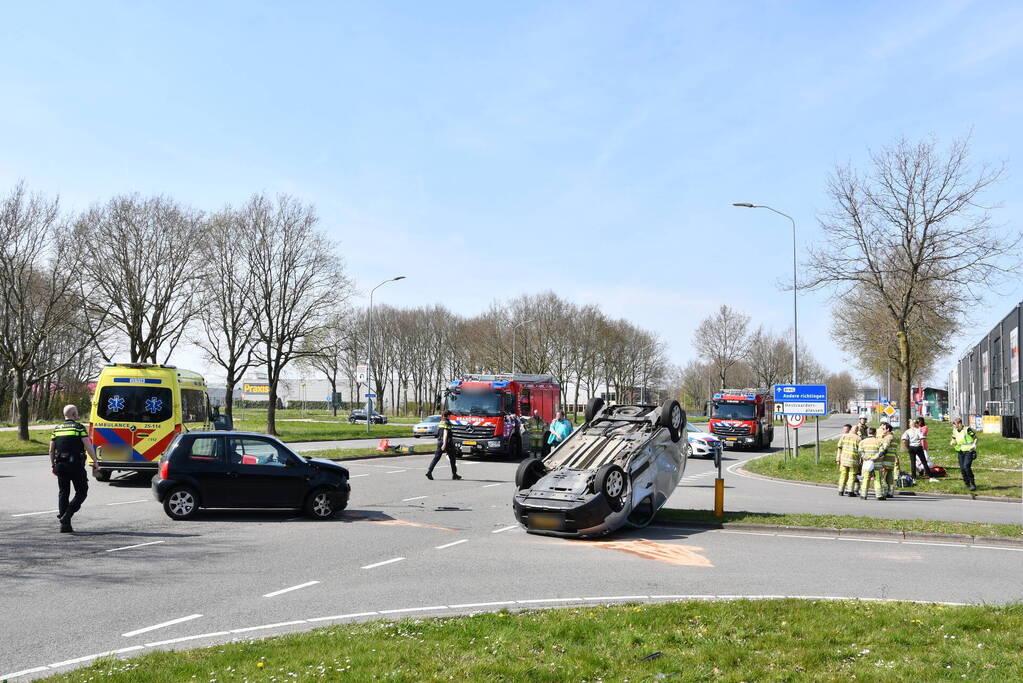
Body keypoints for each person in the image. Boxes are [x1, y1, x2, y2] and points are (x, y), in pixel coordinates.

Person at [50, 405, 97, 533]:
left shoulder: (57, 429)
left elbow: (51, 450)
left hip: (61, 465)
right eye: (77, 413)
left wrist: (53, 465)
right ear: (74, 414)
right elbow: (88, 446)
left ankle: (65, 525)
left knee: (63, 493)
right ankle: (68, 514)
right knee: (82, 491)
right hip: (76, 465)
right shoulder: (79, 428)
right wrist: (95, 461)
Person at [426, 410, 461, 481]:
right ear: (448, 415)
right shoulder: (447, 422)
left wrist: (441, 442)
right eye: (450, 415)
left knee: (436, 458)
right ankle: (454, 475)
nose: (450, 417)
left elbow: (440, 432)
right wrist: (444, 444)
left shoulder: (441, 422)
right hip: (447, 443)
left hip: (439, 441)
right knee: (452, 459)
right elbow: (445, 433)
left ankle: (429, 471)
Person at [903, 418, 938, 482]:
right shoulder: (918, 430)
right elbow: (922, 438)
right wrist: (923, 446)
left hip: (911, 447)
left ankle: (914, 478)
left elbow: (904, 440)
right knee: (924, 462)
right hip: (918, 447)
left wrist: (907, 447)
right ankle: (931, 477)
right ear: (915, 424)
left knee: (913, 463)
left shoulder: (907, 431)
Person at [949, 417, 978, 491]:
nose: (953, 426)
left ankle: (972, 483)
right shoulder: (955, 430)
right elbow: (954, 438)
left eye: (954, 424)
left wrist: (974, 445)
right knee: (962, 469)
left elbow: (976, 438)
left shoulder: (967, 429)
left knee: (966, 467)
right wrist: (953, 442)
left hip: (969, 451)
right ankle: (967, 483)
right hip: (960, 451)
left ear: (959, 424)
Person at [858, 427, 885, 500]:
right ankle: (879, 495)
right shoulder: (879, 442)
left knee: (866, 479)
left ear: (868, 433)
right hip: (877, 464)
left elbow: (860, 452)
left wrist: (866, 458)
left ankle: (863, 495)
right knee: (877, 479)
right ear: (875, 433)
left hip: (867, 464)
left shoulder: (862, 442)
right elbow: (881, 453)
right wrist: (874, 458)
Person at [835, 424, 861, 497]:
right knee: (851, 476)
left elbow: (839, 448)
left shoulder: (844, 436)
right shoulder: (858, 438)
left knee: (843, 475)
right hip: (853, 461)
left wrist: (838, 459)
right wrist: (860, 462)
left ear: (851, 429)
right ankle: (850, 491)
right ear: (857, 430)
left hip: (843, 460)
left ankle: (841, 490)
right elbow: (860, 451)